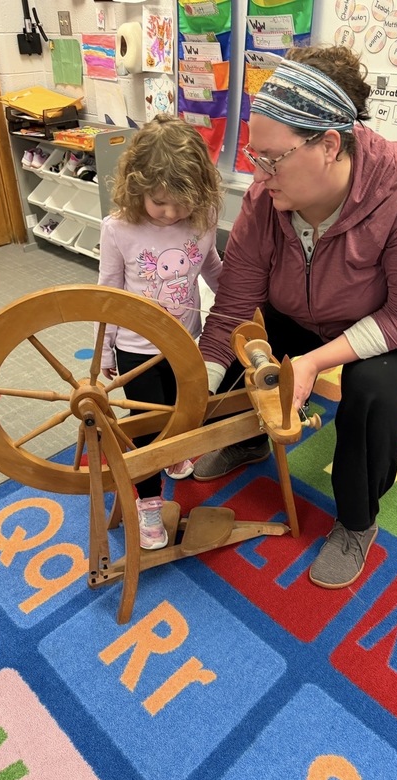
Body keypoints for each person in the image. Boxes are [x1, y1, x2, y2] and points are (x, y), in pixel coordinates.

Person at [194, 45, 397, 588]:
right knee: (252, 345)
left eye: (270, 159)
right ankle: (250, 435)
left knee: (371, 386)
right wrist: (194, 392)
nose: (257, 173)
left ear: (329, 145)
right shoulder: (265, 201)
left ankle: (357, 520)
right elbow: (231, 313)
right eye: (253, 155)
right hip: (311, 308)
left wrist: (314, 363)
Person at [97, 114, 223, 550]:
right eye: (159, 202)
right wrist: (107, 352)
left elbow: (212, 269)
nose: (171, 214)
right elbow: (107, 293)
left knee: (183, 410)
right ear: (137, 189)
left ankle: (176, 456)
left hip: (187, 340)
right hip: (137, 348)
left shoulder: (202, 218)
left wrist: (237, 307)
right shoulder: (119, 229)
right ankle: (149, 505)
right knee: (147, 427)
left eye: (181, 203)